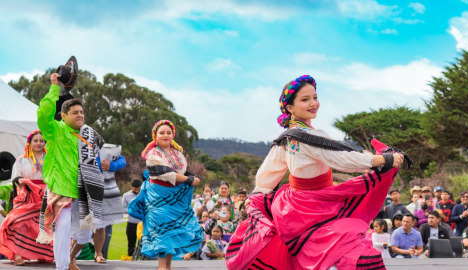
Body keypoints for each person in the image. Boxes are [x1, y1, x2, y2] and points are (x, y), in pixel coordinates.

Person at [225, 75, 407, 270]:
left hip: (294, 206)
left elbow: (267, 174)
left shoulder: (289, 136)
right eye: (305, 99)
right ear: (290, 108)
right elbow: (342, 159)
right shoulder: (306, 137)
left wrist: (258, 193)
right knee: (347, 249)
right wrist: (384, 160)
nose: (313, 103)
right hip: (312, 210)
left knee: (317, 255)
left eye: (315, 97)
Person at [36, 73, 104, 270]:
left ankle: (71, 259)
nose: (80, 115)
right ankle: (62, 267)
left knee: (84, 234)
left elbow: (94, 160)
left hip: (83, 193)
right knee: (63, 228)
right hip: (61, 190)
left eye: (81, 112)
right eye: (75, 112)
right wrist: (54, 88)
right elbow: (43, 114)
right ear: (63, 116)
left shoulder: (88, 135)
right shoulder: (55, 131)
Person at [128, 120, 203, 270]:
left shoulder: (177, 154)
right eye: (162, 132)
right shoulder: (153, 154)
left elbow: (180, 171)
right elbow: (164, 173)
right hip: (157, 198)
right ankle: (162, 267)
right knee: (162, 231)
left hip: (174, 199)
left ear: (173, 135)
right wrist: (190, 180)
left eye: (169, 133)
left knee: (171, 231)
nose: (165, 135)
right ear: (155, 135)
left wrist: (189, 178)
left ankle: (167, 267)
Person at [0, 130, 53, 265]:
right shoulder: (22, 159)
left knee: (43, 225)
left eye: (41, 141)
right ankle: (18, 255)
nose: (38, 143)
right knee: (18, 222)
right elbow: (15, 178)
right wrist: (22, 181)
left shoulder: (50, 158)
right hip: (26, 196)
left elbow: (54, 176)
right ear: (30, 142)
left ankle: (43, 255)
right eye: (35, 141)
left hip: (45, 195)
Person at [94, 144, 126, 262]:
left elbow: (122, 161)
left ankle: (98, 253)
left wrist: (112, 165)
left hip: (105, 190)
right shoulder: (77, 146)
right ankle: (72, 256)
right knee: (80, 226)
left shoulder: (107, 149)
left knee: (101, 226)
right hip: (83, 188)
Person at [122, 179, 142, 257]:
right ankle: (131, 259)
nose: (137, 191)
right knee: (131, 244)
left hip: (142, 224)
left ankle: (143, 260)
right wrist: (132, 210)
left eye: (138, 189)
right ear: (131, 187)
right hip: (131, 223)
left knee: (143, 244)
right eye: (135, 189)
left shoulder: (144, 194)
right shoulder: (126, 195)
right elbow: (123, 208)